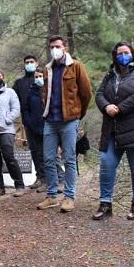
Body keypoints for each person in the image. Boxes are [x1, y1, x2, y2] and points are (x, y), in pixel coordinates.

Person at [92, 42, 134, 221]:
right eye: (119, 53)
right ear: (115, 56)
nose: (123, 56)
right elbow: (99, 94)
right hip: (113, 128)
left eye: (126, 52)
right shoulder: (110, 75)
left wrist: (119, 108)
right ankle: (105, 205)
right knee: (106, 163)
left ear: (133, 54)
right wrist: (106, 106)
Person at [37, 35, 92, 213]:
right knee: (48, 159)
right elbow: (45, 93)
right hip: (50, 121)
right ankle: (52, 195)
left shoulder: (76, 66)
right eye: (52, 46)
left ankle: (69, 197)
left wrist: (77, 114)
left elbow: (86, 93)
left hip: (69, 121)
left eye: (58, 46)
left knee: (69, 159)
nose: (55, 49)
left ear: (65, 48)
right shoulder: (47, 69)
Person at [13, 57, 64, 192]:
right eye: (27, 62)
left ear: (37, 64)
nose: (29, 64)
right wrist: (26, 121)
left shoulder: (49, 86)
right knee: (35, 152)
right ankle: (41, 178)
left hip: (48, 125)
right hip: (29, 124)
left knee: (50, 153)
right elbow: (20, 104)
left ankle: (59, 179)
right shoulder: (21, 84)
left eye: (32, 62)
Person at [0, 69, 24, 197]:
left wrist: (7, 119)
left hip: (6, 130)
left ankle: (19, 185)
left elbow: (16, 108)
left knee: (9, 157)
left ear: (3, 77)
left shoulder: (10, 92)